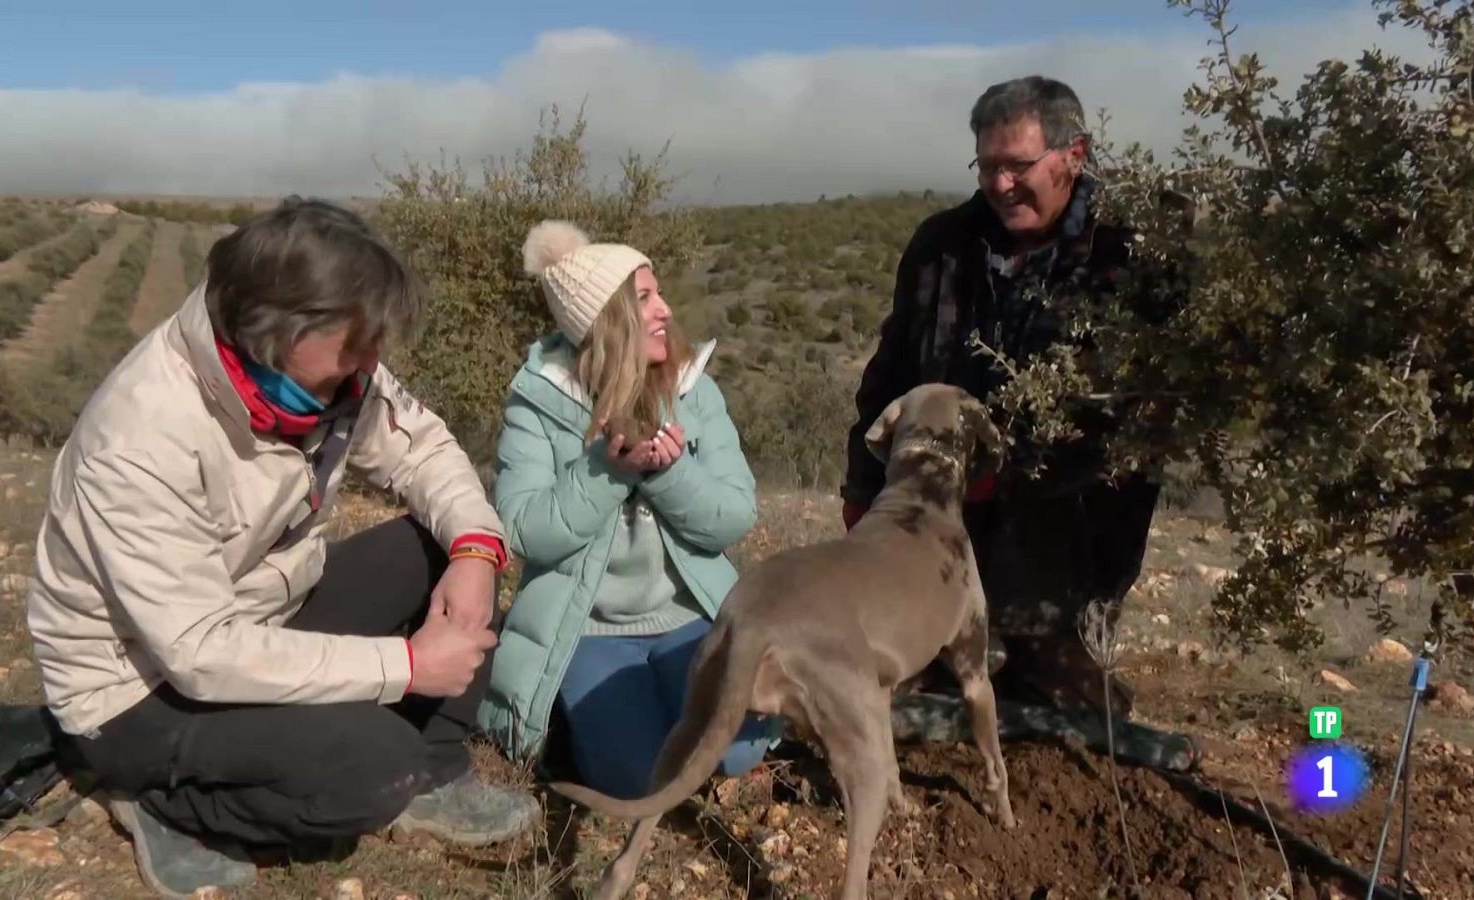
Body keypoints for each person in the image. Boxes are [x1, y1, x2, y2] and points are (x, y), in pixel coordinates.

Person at [24, 198, 539, 899]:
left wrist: (476, 555)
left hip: (260, 613)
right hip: (138, 688)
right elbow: (200, 653)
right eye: (357, 342)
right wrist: (407, 665)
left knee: (439, 546)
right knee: (371, 768)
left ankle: (435, 772)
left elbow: (421, 451)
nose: (372, 360)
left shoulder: (330, 371)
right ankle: (163, 802)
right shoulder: (142, 434)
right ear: (276, 330)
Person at [842, 76, 1173, 720]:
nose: (999, 185)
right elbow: (887, 379)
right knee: (907, 676)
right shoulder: (942, 245)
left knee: (1065, 701)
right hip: (930, 519)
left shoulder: (1129, 251)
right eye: (986, 166)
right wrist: (862, 488)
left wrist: (1007, 476)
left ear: (1074, 155)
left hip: (1069, 530)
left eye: (1017, 166)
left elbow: (1134, 422)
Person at [477, 220, 774, 798]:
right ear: (603, 321)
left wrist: (668, 473)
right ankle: (570, 721)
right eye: (645, 298)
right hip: (588, 629)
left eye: (658, 292)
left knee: (739, 749)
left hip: (687, 616)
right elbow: (523, 530)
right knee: (636, 778)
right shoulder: (537, 403)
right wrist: (609, 470)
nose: (665, 310)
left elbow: (734, 515)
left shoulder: (694, 388)